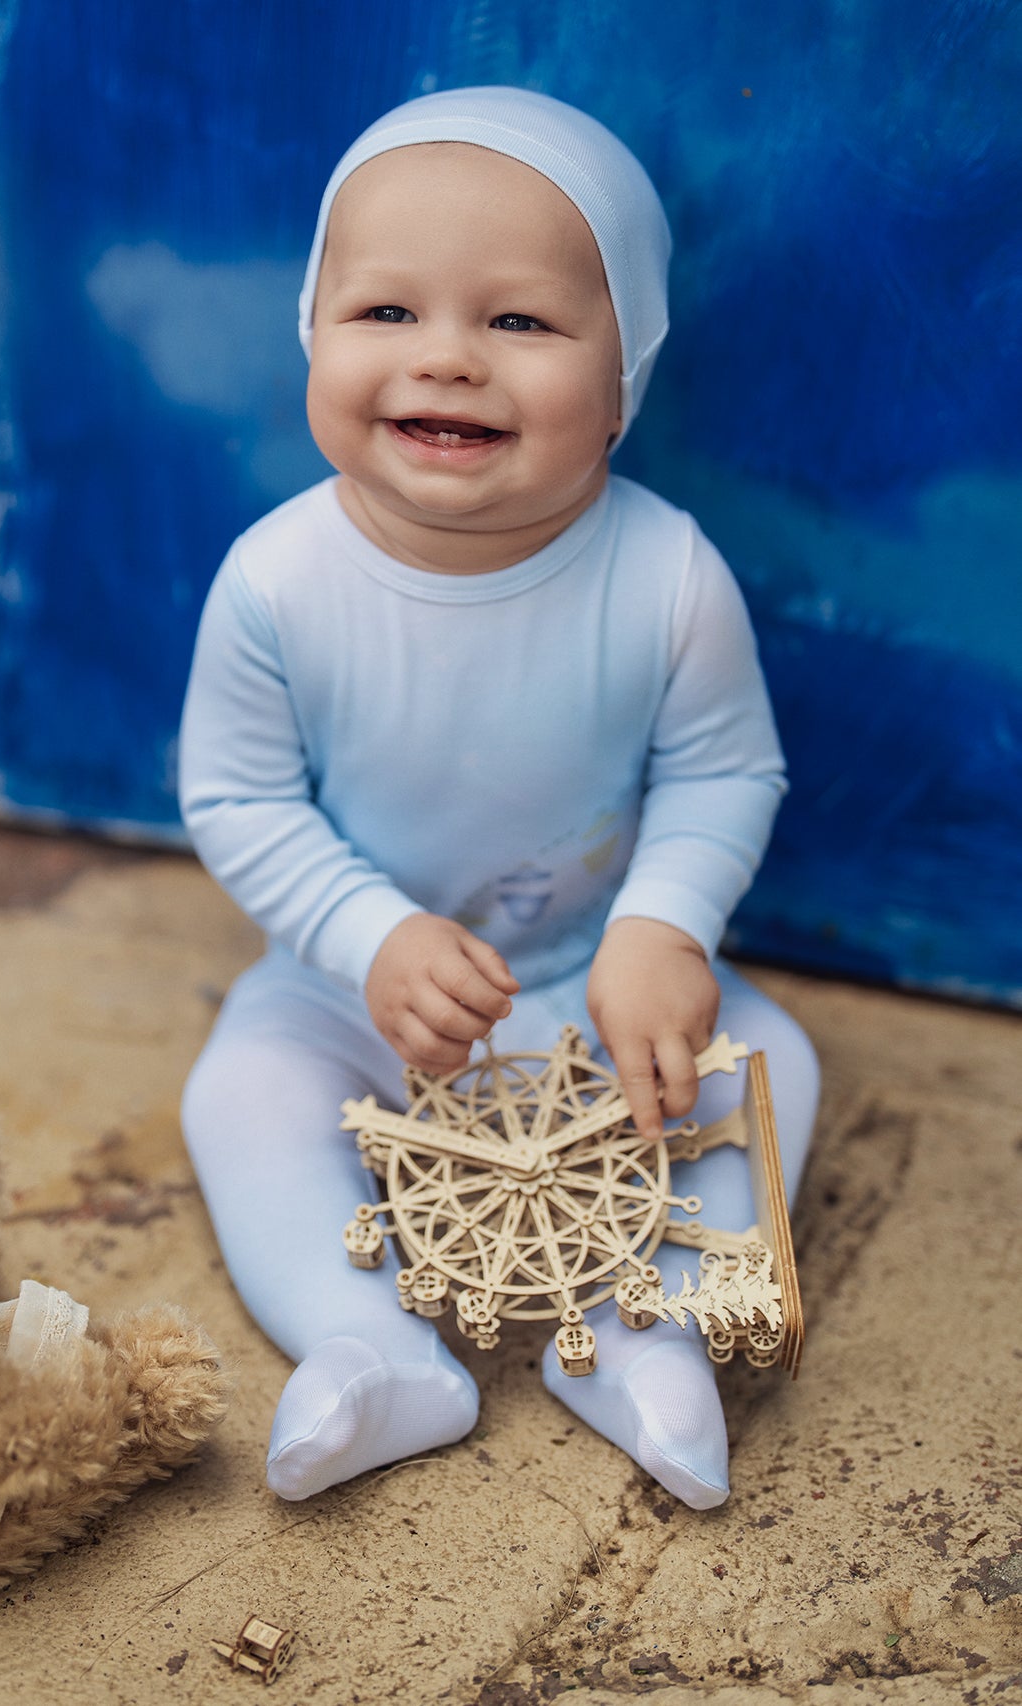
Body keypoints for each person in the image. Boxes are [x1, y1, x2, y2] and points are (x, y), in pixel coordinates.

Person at [178, 86, 819, 1511]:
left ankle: (642, 1337)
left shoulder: (665, 576)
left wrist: (661, 926)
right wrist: (364, 935)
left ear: (621, 379)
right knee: (241, 1091)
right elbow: (235, 796)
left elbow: (724, 768)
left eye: (518, 322)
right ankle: (367, 1344)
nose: (449, 359)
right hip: (352, 992)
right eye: (385, 313)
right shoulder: (278, 580)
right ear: (311, 330)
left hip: (595, 987)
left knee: (770, 1069)